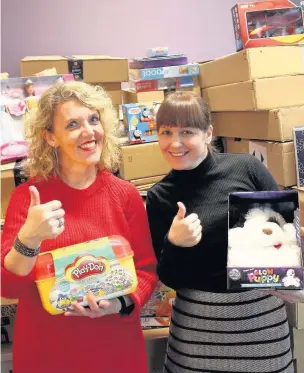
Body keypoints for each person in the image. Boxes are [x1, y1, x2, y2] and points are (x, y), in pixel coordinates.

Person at [1, 81, 157, 373]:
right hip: (47, 355)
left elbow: (146, 270)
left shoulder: (125, 195)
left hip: (116, 352)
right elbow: (8, 286)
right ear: (50, 137)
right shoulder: (28, 198)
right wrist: (29, 238)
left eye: (94, 120)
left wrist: (120, 303)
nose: (89, 132)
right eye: (73, 124)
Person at [146, 92, 296, 373]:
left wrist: (292, 274)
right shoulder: (159, 196)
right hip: (196, 333)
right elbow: (169, 278)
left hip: (260, 324)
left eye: (187, 131)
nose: (175, 143)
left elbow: (287, 232)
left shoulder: (247, 168)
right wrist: (175, 243)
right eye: (166, 132)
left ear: (208, 133)